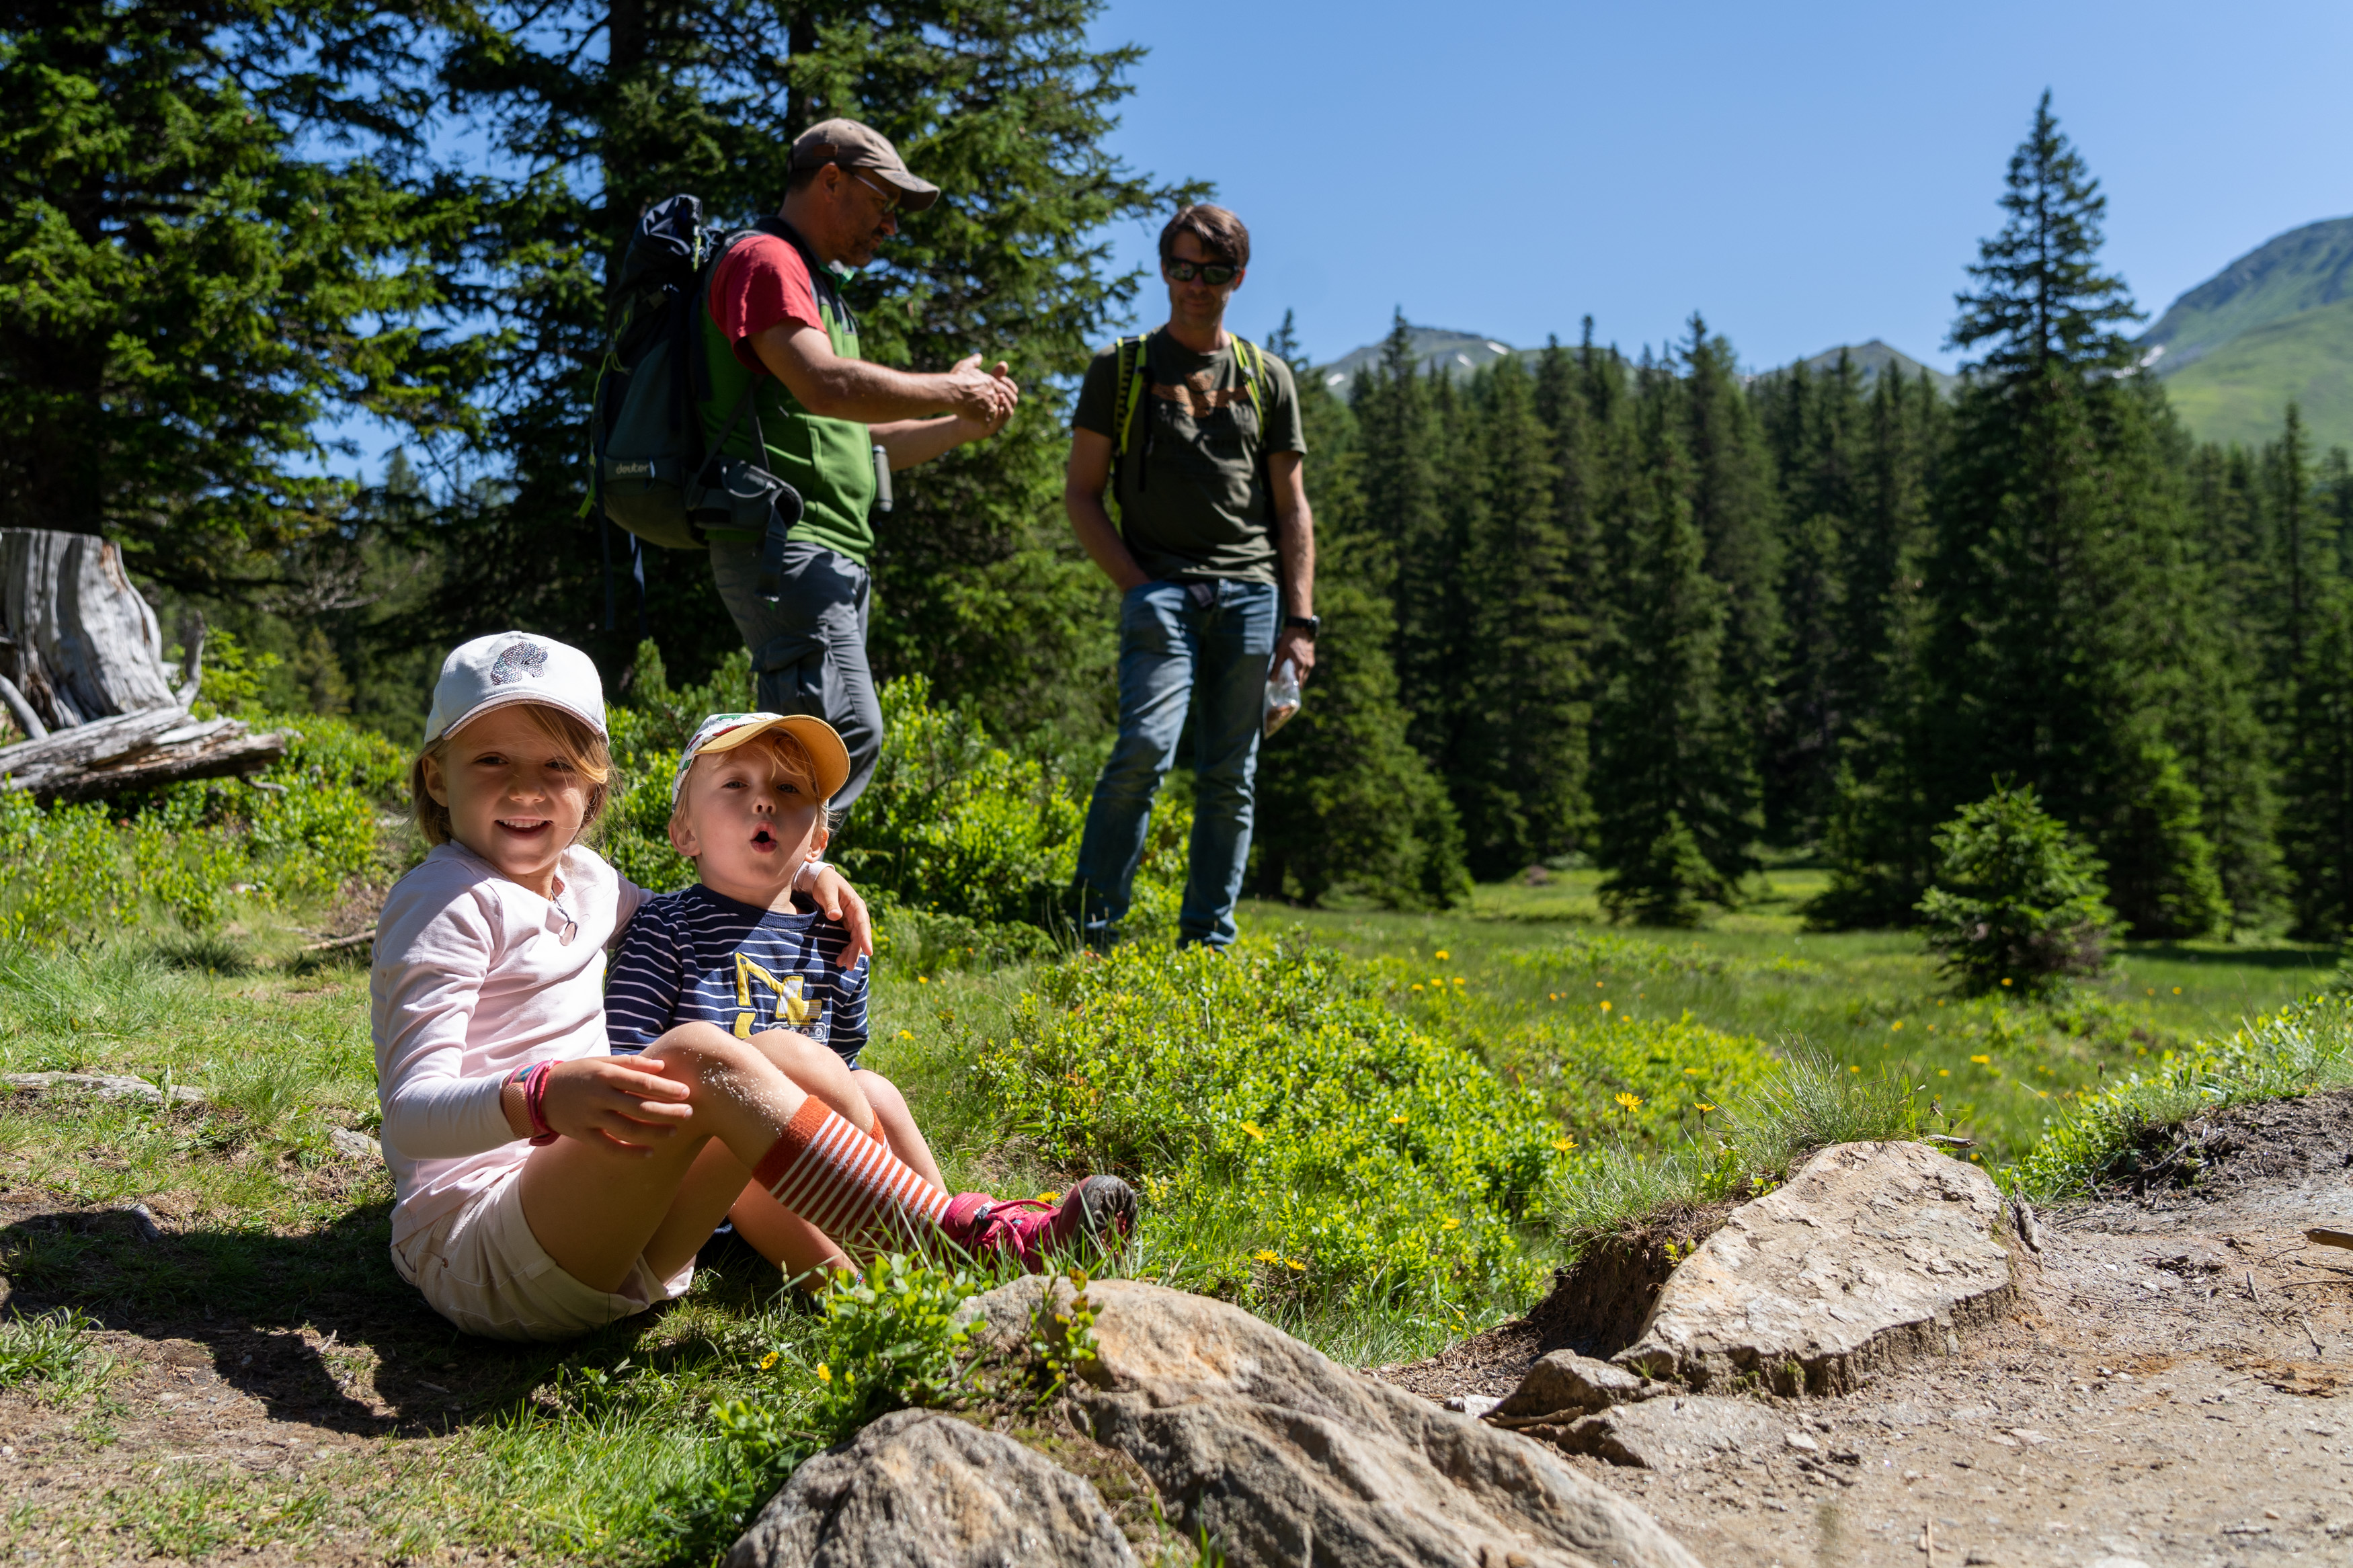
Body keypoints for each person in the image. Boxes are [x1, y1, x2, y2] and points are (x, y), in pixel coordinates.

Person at [372, 631, 1135, 1342]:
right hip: (482, 1251)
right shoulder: (442, 900)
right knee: (703, 1050)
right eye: (492, 762)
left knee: (786, 1053)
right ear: (437, 776)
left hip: (619, 1238)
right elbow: (408, 1116)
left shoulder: (583, 880)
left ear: (593, 787)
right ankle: (962, 1240)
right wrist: (536, 1097)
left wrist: (804, 869)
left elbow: (723, 881)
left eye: (556, 767)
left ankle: (927, 1275)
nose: (528, 791)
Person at [699, 117, 1020, 820]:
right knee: (838, 739)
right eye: (883, 201)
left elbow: (857, 440)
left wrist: (958, 423)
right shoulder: (766, 261)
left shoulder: (821, 290)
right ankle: (767, 912)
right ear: (831, 179)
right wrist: (950, 385)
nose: (891, 225)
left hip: (830, 552)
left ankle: (757, 916)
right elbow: (826, 386)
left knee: (794, 756)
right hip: (786, 543)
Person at [604, 709, 950, 1281]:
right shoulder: (666, 926)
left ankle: (956, 1233)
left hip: (805, 1175)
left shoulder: (836, 934)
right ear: (685, 831)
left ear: (817, 838)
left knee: (874, 1087)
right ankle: (868, 1294)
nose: (764, 801)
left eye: (788, 788)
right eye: (735, 784)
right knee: (755, 1147)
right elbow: (628, 1058)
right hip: (708, 1179)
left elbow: (844, 1065)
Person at [1064, 204, 1318, 948]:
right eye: (1180, 268)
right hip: (1160, 593)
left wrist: (1299, 624)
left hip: (1252, 594)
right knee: (1142, 747)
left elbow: (1291, 506)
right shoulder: (1122, 367)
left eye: (1211, 272)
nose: (1194, 285)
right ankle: (1089, 927)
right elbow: (1081, 492)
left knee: (1229, 774)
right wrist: (1137, 585)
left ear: (1237, 277)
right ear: (1163, 269)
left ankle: (1206, 940)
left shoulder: (1266, 376)